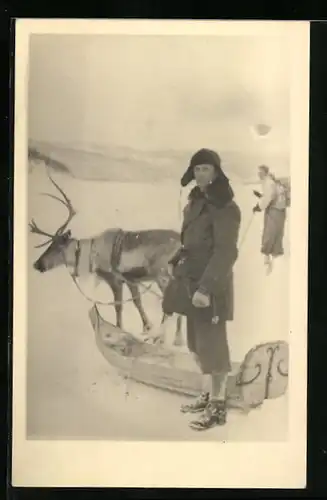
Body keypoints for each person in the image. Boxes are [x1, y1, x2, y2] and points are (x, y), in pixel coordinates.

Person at [164, 148, 241, 431]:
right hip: (190, 281)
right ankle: (208, 394)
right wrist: (175, 260)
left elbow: (226, 253)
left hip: (211, 285)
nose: (200, 174)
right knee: (196, 345)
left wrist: (206, 289)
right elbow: (190, 243)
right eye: (196, 169)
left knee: (213, 347)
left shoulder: (226, 208)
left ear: (217, 172)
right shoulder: (194, 202)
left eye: (206, 169)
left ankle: (218, 407)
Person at [253, 165, 287, 275]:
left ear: (265, 172)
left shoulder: (267, 182)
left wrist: (258, 207)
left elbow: (268, 197)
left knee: (269, 232)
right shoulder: (271, 181)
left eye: (260, 172)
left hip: (274, 210)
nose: (258, 174)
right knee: (277, 232)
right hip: (281, 210)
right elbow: (271, 195)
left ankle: (267, 259)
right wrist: (261, 196)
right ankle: (276, 256)